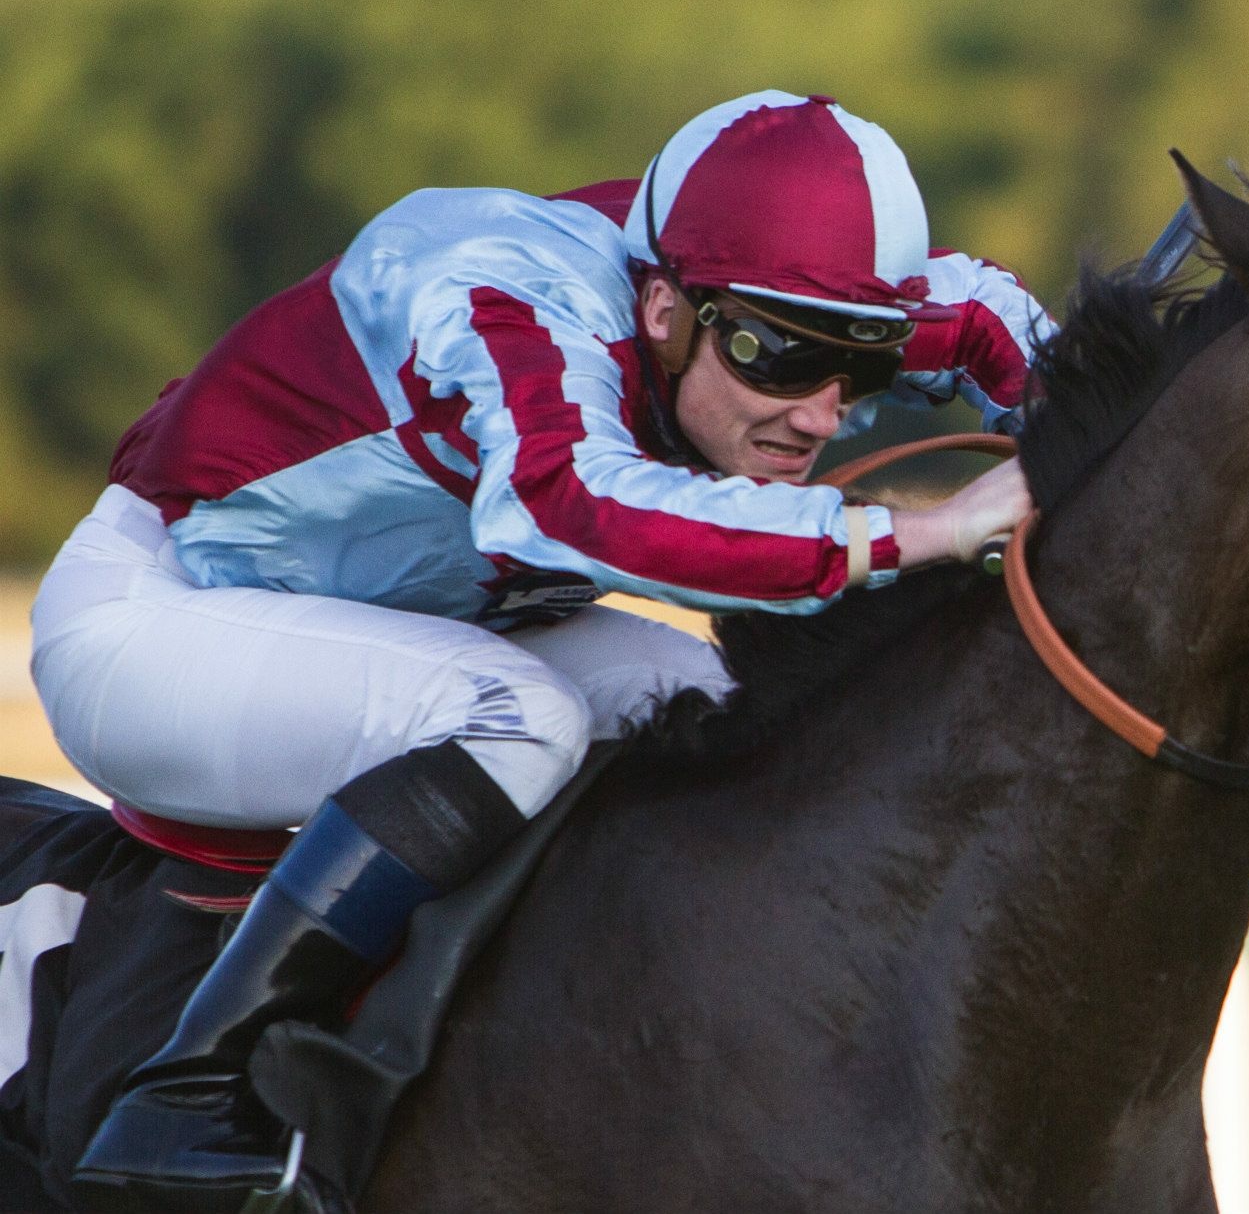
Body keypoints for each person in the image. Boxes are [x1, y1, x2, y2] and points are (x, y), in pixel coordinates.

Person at [30, 89, 1044, 1211]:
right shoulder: (507, 298)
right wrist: (924, 530)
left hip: (426, 616)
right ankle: (185, 1098)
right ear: (663, 307)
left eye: (851, 373)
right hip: (158, 612)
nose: (817, 413)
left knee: (701, 697)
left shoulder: (750, 289)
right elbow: (567, 505)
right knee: (520, 716)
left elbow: (987, 311)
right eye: (779, 360)